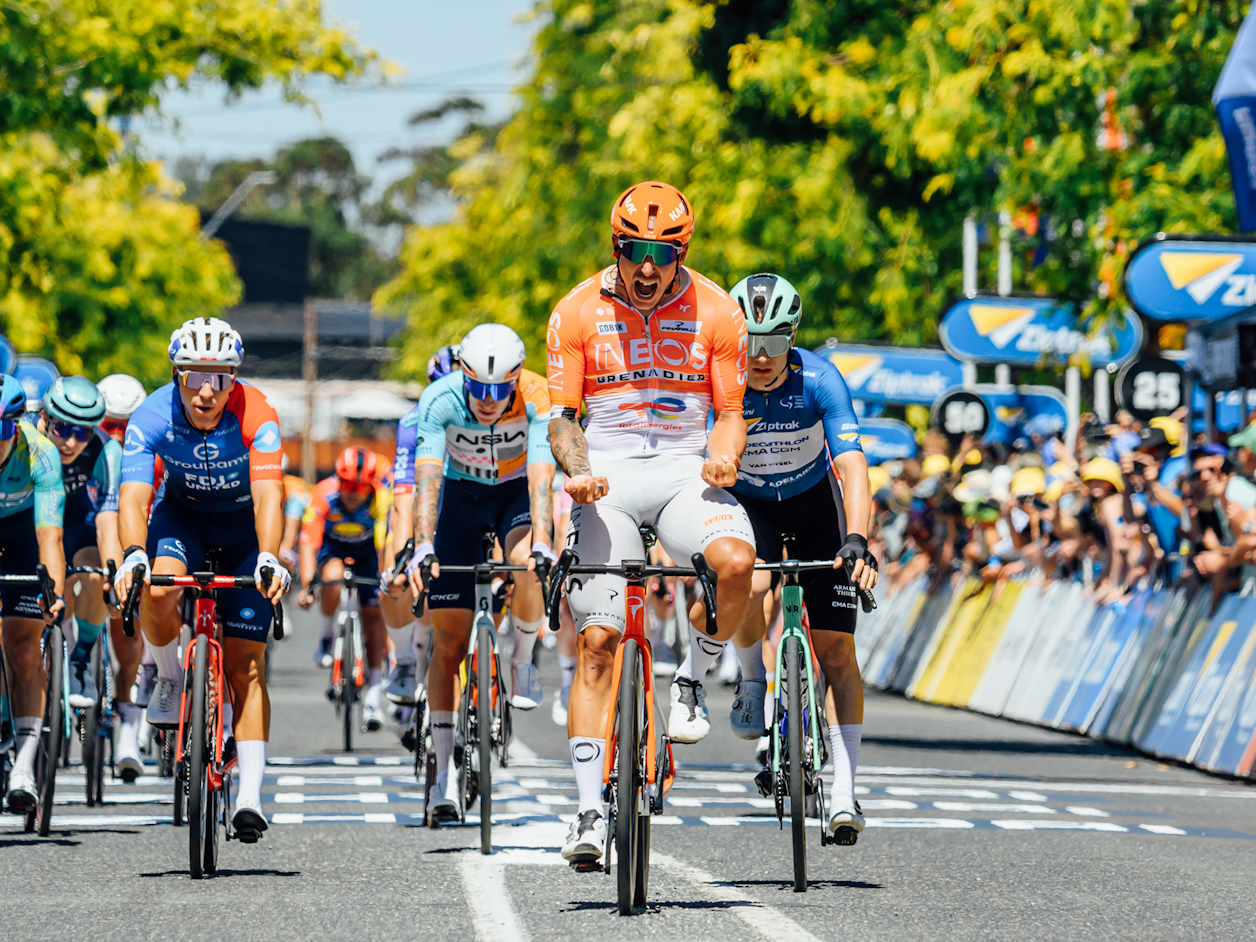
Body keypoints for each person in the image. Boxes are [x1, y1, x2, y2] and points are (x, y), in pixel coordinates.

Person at [546, 181, 756, 864]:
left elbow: (729, 414)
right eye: (634, 249)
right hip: (603, 474)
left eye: (662, 254)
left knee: (735, 565)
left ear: (681, 253)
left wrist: (724, 460)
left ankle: (694, 674)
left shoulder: (719, 310)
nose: (646, 267)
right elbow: (563, 419)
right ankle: (584, 812)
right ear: (616, 245)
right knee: (600, 640)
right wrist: (576, 472)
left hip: (681, 475)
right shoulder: (575, 310)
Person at [113, 316, 288, 842]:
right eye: (194, 377)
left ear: (234, 379)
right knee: (160, 587)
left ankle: (252, 797)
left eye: (220, 378)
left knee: (245, 666)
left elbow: (270, 496)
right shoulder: (149, 414)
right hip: (181, 520)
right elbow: (134, 496)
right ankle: (169, 674)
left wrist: (270, 557)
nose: (207, 391)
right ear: (175, 375)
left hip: (243, 532)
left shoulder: (259, 413)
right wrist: (131, 555)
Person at [721, 272, 878, 842]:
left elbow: (853, 466)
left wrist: (857, 538)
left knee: (836, 648)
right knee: (753, 587)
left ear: (793, 337)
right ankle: (750, 678)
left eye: (774, 342)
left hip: (816, 506)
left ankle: (844, 792)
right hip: (751, 505)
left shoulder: (821, 378)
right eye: (750, 342)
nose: (760, 357)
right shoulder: (724, 378)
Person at [392, 323, 556, 824]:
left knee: (528, 564)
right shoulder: (439, 399)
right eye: (477, 388)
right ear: (462, 375)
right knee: (449, 646)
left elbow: (542, 477)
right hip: (459, 502)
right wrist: (422, 545)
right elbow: (427, 478)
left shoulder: (537, 394)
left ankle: (523, 657)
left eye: (498, 390)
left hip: (512, 496)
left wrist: (545, 542)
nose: (487, 400)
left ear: (516, 378)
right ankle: (443, 776)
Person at [0, 375, 67, 811]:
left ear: (16, 425)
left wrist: (54, 594)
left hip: (24, 534)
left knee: (24, 649)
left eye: (1, 430)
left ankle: (24, 761)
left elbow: (50, 539)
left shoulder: (40, 453)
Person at [36, 378, 122, 714]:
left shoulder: (106, 450)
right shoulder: (24, 438)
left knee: (95, 569)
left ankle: (81, 656)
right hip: (33, 520)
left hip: (78, 519)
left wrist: (113, 575)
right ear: (44, 416)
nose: (72, 441)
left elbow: (107, 521)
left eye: (83, 432)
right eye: (61, 428)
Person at [298, 447, 392, 729]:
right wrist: (306, 587)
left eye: (359, 486)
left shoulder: (381, 500)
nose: (352, 492)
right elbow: (307, 544)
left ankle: (374, 692)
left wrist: (385, 580)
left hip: (368, 555)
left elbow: (384, 545)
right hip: (333, 549)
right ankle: (327, 635)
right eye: (346, 484)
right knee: (333, 576)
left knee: (374, 617)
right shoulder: (323, 494)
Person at [96, 373, 151, 779]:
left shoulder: (151, 452)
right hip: (88, 536)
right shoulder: (83, 450)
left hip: (134, 544)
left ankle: (129, 730)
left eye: (124, 426)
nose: (115, 435)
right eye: (107, 426)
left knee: (128, 635)